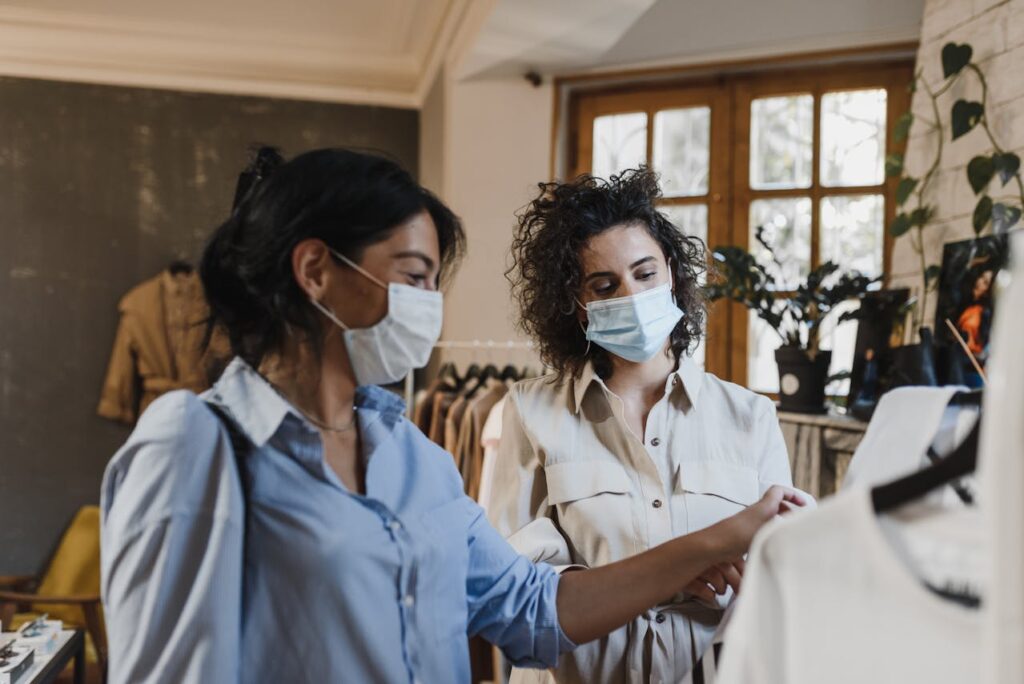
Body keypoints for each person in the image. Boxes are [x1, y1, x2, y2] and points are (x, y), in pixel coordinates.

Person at [99, 148, 802, 684]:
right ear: (316, 270)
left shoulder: (413, 458)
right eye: (411, 276)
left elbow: (534, 610)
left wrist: (720, 539)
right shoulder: (197, 443)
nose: (428, 303)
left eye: (434, 280)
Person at [491, 167, 797, 683]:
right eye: (604, 285)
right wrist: (682, 568)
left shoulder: (750, 417)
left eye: (645, 273)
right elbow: (511, 587)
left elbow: (774, 580)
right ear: (578, 306)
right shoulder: (530, 412)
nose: (630, 295)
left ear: (672, 274)